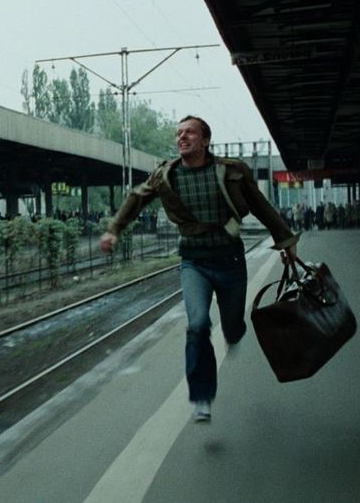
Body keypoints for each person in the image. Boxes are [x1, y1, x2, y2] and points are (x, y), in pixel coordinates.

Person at [99, 115, 298, 423]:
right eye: (178, 133)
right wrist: (114, 229)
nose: (182, 137)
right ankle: (201, 395)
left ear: (205, 140)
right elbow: (137, 197)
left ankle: (233, 333)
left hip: (230, 260)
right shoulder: (166, 175)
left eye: (189, 133)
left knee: (233, 326)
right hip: (194, 263)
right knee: (198, 325)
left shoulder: (231, 171)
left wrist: (285, 240)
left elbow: (260, 204)